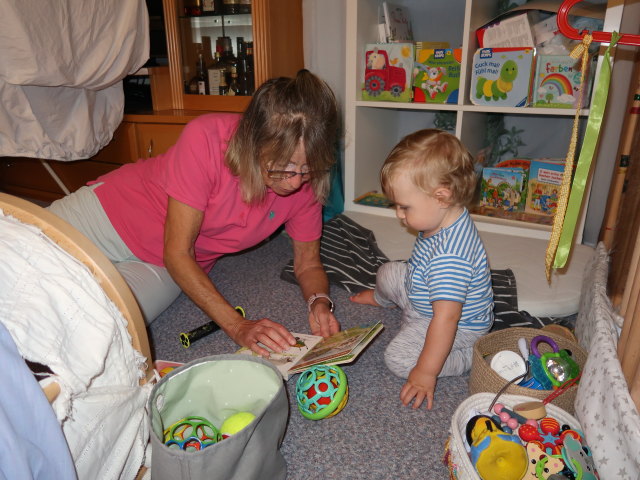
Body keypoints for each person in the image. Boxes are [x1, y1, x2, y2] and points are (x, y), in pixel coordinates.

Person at [47, 69, 341, 357]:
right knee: (19, 251)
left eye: (306, 168)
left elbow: (307, 265)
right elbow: (178, 250)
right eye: (284, 167)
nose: (295, 181)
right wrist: (237, 325)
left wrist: (319, 302)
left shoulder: (307, 181)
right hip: (112, 213)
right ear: (254, 143)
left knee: (97, 329)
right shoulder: (206, 137)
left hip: (165, 265)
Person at [350, 129, 494, 410]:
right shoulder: (441, 216)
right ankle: (383, 299)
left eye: (405, 207)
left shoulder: (449, 258)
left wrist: (426, 372)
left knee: (398, 358)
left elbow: (447, 319)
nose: (399, 215)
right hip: (424, 292)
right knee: (388, 271)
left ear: (442, 197)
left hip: (453, 324)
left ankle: (468, 357)